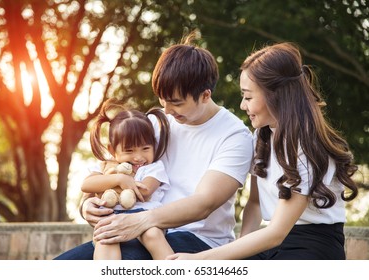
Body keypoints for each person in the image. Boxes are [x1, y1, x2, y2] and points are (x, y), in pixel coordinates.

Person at [54, 31, 253, 260]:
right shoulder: (156, 122)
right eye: (162, 100)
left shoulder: (235, 136)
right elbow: (110, 170)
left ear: (205, 95)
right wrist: (88, 205)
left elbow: (203, 204)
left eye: (176, 103)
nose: (166, 110)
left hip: (196, 240)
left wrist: (140, 220)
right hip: (137, 227)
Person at [167, 42, 359, 260]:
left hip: (312, 248)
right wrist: (238, 250)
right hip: (271, 243)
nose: (242, 105)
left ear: (275, 95)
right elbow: (256, 203)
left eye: (248, 97)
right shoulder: (262, 136)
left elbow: (276, 233)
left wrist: (198, 259)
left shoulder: (308, 145)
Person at [81, 98, 173, 260]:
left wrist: (126, 184)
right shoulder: (106, 166)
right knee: (105, 240)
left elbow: (145, 192)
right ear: (112, 150)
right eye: (129, 151)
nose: (138, 157)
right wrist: (119, 179)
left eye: (145, 149)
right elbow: (87, 185)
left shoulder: (153, 167)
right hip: (111, 218)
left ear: (154, 146)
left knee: (153, 235)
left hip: (145, 218)